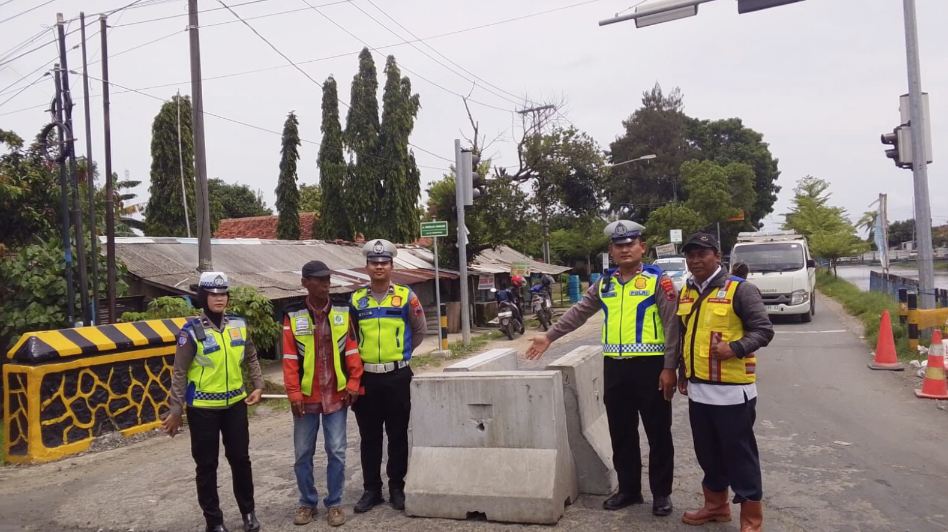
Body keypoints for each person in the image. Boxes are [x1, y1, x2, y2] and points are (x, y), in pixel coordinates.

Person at [526, 220, 680, 517]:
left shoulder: (657, 281)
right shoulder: (606, 283)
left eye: (630, 244)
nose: (625, 250)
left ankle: (661, 494)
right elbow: (579, 312)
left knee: (658, 432)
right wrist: (549, 336)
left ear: (641, 247)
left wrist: (670, 367)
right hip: (615, 368)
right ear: (611, 250)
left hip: (651, 368)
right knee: (621, 432)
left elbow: (673, 326)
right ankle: (629, 490)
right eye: (619, 246)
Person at [677, 233, 774, 532]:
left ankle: (751, 520)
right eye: (691, 255)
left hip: (733, 392)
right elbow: (685, 335)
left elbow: (763, 330)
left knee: (740, 455)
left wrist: (736, 348)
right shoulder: (688, 291)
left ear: (717, 256)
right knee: (707, 453)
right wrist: (682, 371)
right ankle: (716, 506)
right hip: (699, 391)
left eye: (702, 254)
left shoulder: (740, 290)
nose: (696, 260)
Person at [161, 272, 264, 532]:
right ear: (203, 298)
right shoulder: (191, 331)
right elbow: (179, 372)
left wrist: (259, 385)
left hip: (235, 406)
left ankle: (248, 513)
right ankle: (214, 521)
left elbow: (251, 356)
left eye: (223, 294)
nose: (219, 299)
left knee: (241, 460)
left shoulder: (239, 325)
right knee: (207, 466)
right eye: (213, 294)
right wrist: (175, 411)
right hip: (203, 410)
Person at [282, 260, 364, 527]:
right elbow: (289, 358)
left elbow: (352, 349)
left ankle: (335, 503)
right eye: (319, 279)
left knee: (337, 451)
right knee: (302, 453)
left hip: (337, 396)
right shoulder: (293, 315)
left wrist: (354, 382)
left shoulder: (343, 310)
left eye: (328, 278)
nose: (326, 284)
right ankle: (307, 503)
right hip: (305, 398)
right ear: (305, 283)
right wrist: (293, 393)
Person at [349, 239, 427, 513]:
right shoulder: (356, 300)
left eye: (383, 263)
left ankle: (397, 487)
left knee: (397, 435)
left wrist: (401, 354)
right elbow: (350, 338)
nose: (379, 266)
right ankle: (372, 490)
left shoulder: (407, 296)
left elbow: (419, 330)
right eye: (374, 262)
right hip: (367, 378)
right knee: (369, 437)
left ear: (392, 266)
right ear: (367, 266)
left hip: (397, 377)